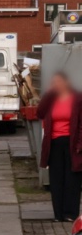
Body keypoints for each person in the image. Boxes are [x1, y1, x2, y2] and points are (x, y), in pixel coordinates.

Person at [37, 72, 82, 222]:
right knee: (56, 179)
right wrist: (48, 94)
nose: (57, 85)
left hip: (72, 142)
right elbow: (40, 113)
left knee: (72, 179)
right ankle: (58, 214)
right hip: (54, 143)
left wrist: (80, 143)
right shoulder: (51, 99)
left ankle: (70, 213)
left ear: (67, 82)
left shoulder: (77, 98)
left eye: (59, 82)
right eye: (54, 82)